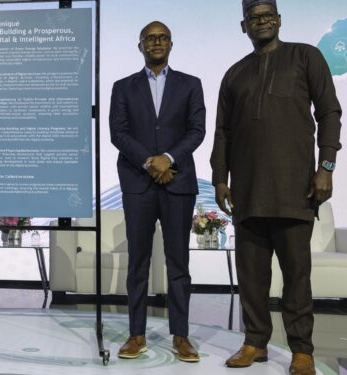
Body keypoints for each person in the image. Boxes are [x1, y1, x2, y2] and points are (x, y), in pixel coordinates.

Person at [210, 1, 342, 374]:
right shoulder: (234, 74)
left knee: (297, 275)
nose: (262, 21)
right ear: (244, 26)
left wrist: (326, 167)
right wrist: (221, 178)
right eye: (255, 17)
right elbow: (223, 131)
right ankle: (255, 342)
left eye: (268, 15)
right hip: (248, 192)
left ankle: (302, 350)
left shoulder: (305, 57)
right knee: (251, 276)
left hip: (295, 189)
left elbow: (329, 112)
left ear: (279, 21)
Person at [109, 21, 206, 362]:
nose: (156, 43)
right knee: (138, 262)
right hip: (138, 183)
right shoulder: (123, 87)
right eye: (150, 38)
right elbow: (118, 133)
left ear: (171, 43)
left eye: (162, 37)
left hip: (178, 183)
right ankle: (136, 335)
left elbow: (197, 130)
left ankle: (181, 336)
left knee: (179, 263)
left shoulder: (191, 85)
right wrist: (150, 162)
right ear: (140, 46)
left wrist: (168, 159)